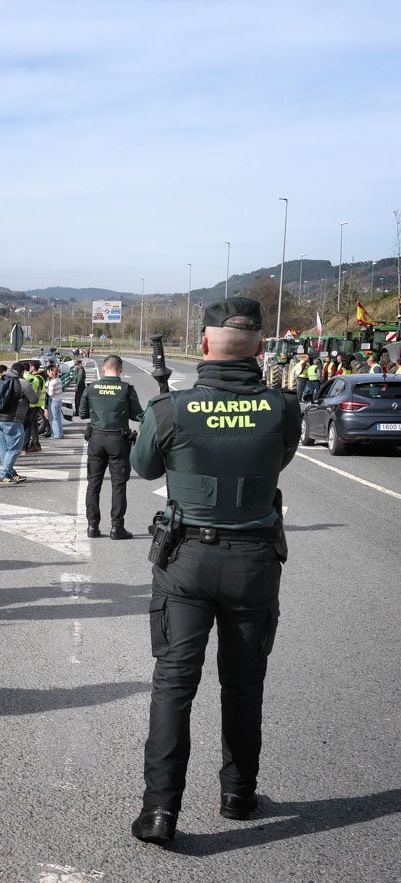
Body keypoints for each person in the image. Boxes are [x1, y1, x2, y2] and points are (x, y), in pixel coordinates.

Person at [128, 296, 299, 846]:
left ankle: (159, 811)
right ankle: (238, 794)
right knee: (244, 686)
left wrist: (167, 414)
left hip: (186, 562)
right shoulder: (285, 408)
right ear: (261, 349)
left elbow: (143, 466)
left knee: (173, 686)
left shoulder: (171, 410)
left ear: (203, 345)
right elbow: (281, 458)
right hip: (253, 562)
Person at [78, 355, 144, 540]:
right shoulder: (126, 389)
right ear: (120, 370)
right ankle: (117, 528)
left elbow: (82, 413)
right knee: (118, 486)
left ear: (104, 368)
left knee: (93, 485)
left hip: (96, 439)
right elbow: (139, 415)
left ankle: (92, 527)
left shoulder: (91, 388)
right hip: (118, 441)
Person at [0, 361, 37, 485]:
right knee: (15, 449)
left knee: (5, 448)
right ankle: (4, 474)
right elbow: (34, 399)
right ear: (22, 371)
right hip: (13, 421)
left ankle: (10, 472)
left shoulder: (1, 379)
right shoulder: (23, 383)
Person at [45, 362, 65, 439]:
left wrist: (45, 389)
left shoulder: (52, 382)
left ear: (51, 372)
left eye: (48, 371)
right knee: (58, 418)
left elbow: (50, 394)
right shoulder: (59, 379)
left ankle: (56, 435)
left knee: (53, 419)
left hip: (53, 401)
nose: (48, 373)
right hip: (59, 400)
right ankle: (60, 433)